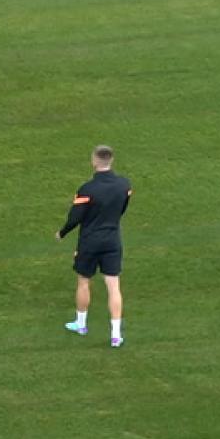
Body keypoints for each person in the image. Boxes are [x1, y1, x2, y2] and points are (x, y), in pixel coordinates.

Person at [56, 145, 133, 348]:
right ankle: (116, 335)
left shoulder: (87, 189)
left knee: (83, 282)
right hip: (113, 239)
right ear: (111, 160)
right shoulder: (124, 184)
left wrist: (62, 232)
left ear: (94, 161)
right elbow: (123, 207)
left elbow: (76, 217)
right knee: (114, 286)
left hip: (90, 241)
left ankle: (81, 324)